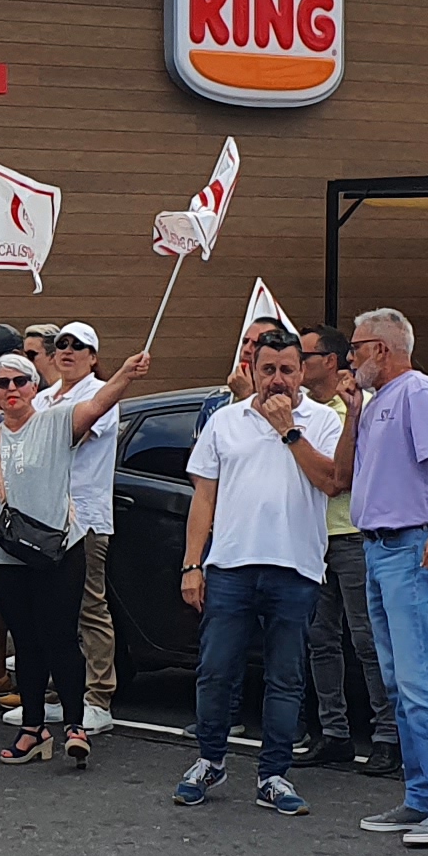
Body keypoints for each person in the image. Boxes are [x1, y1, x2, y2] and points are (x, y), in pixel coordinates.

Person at [167, 329, 337, 810]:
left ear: (301, 372)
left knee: (285, 677)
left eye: (287, 370)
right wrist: (192, 564)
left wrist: (289, 430)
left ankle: (274, 775)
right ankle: (210, 760)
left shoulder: (323, 420)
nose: (277, 379)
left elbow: (330, 481)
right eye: (268, 370)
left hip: (296, 568)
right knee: (215, 670)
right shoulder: (226, 420)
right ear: (252, 371)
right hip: (231, 566)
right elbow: (204, 497)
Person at [0, 346, 151, 764]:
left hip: (59, 551)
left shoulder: (56, 421)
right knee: (25, 641)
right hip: (5, 556)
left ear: (35, 387)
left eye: (20, 381)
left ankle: (75, 725)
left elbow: (99, 404)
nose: (11, 389)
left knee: (61, 637)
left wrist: (125, 373)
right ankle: (33, 729)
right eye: (2, 383)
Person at [340, 307, 428, 847]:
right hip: (381, 547)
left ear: (381, 348)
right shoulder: (379, 401)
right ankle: (423, 795)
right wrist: (354, 412)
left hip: (407, 546)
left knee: (419, 677)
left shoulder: (418, 391)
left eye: (356, 347)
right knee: (400, 679)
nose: (351, 357)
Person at [293, 325, 393, 775]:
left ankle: (387, 735)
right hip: (312, 535)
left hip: (352, 533)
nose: (299, 364)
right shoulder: (300, 410)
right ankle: (333, 732)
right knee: (321, 640)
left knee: (366, 638)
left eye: (305, 356)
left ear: (330, 361)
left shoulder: (360, 407)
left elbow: (346, 474)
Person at [42, 321, 127, 735]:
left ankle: (98, 698)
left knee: (90, 607)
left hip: (86, 518)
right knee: (53, 608)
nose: (68, 350)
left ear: (93, 357)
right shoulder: (42, 397)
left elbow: (70, 435)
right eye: (62, 344)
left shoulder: (101, 394)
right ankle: (63, 693)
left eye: (78, 346)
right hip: (45, 518)